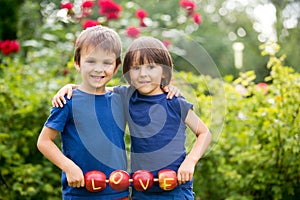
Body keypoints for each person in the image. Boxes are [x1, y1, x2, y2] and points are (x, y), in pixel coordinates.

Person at [53, 36, 212, 199]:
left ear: (164, 70)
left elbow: (204, 133)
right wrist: (70, 87)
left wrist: (190, 162)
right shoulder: (127, 95)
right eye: (136, 68)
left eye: (151, 67)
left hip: (175, 189)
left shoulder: (175, 101)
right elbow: (96, 87)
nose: (143, 74)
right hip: (141, 189)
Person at [37, 25, 129, 200]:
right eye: (91, 61)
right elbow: (44, 142)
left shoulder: (120, 98)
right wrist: (69, 167)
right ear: (77, 63)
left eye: (107, 63)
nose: (98, 69)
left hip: (118, 192)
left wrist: (168, 86)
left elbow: (150, 89)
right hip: (79, 193)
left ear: (116, 67)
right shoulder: (67, 101)